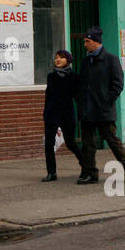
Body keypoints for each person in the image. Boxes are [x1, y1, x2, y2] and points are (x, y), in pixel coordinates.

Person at [76, 26, 125, 185]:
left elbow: (118, 85)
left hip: (104, 110)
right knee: (87, 144)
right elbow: (82, 84)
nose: (85, 44)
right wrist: (82, 101)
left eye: (87, 41)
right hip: (87, 110)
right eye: (84, 41)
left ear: (96, 42)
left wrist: (106, 101)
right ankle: (90, 173)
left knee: (112, 140)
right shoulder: (86, 61)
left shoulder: (111, 60)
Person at [41, 49, 83, 181]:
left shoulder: (74, 77)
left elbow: (78, 97)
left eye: (61, 58)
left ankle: (86, 166)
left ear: (68, 60)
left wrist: (83, 113)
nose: (58, 60)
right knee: (49, 144)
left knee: (71, 143)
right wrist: (45, 113)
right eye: (56, 58)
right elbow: (48, 96)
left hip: (66, 114)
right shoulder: (51, 77)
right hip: (52, 114)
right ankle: (51, 173)